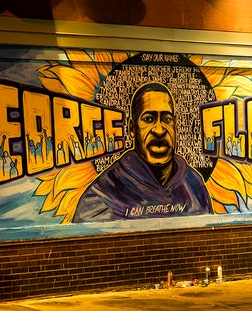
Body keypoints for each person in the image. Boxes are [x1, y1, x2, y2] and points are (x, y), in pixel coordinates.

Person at [73, 82, 213, 222]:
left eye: (166, 119)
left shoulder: (194, 184)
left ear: (175, 126)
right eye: (148, 119)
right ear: (132, 128)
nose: (159, 130)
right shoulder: (103, 194)